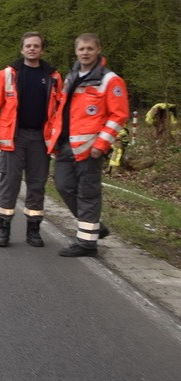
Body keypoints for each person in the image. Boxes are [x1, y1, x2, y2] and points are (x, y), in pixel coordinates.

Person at [50, 33, 128, 257]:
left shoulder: (110, 80)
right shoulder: (72, 76)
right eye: (82, 49)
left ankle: (86, 243)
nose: (85, 52)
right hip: (66, 145)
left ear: (98, 50)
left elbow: (118, 116)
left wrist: (101, 144)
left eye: (90, 49)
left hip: (90, 148)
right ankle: (94, 227)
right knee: (64, 186)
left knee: (88, 194)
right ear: (76, 51)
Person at [0, 32, 63, 248]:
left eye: (36, 46)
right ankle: (4, 228)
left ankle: (33, 230)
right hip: (13, 138)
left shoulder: (53, 76)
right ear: (22, 49)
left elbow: (60, 110)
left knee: (37, 184)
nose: (32, 49)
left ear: (42, 50)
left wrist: (57, 137)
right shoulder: (8, 74)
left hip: (40, 138)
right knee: (9, 184)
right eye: (28, 45)